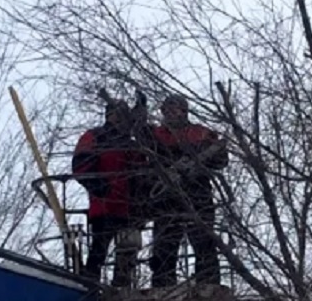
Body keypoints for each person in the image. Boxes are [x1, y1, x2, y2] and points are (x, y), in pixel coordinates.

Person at [146, 93, 229, 287]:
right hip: (166, 200)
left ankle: (208, 286)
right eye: (167, 110)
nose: (170, 113)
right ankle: (163, 288)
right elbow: (145, 153)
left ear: (184, 111)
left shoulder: (201, 133)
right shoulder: (156, 135)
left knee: (204, 242)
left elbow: (221, 161)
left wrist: (200, 163)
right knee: (164, 247)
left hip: (198, 195)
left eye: (175, 109)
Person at [71, 100, 145, 287]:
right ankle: (91, 287)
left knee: (127, 251)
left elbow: (143, 172)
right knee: (99, 249)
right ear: (109, 115)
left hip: (129, 207)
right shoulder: (95, 137)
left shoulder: (132, 144)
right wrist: (100, 188)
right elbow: (81, 165)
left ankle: (121, 288)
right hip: (105, 205)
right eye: (117, 115)